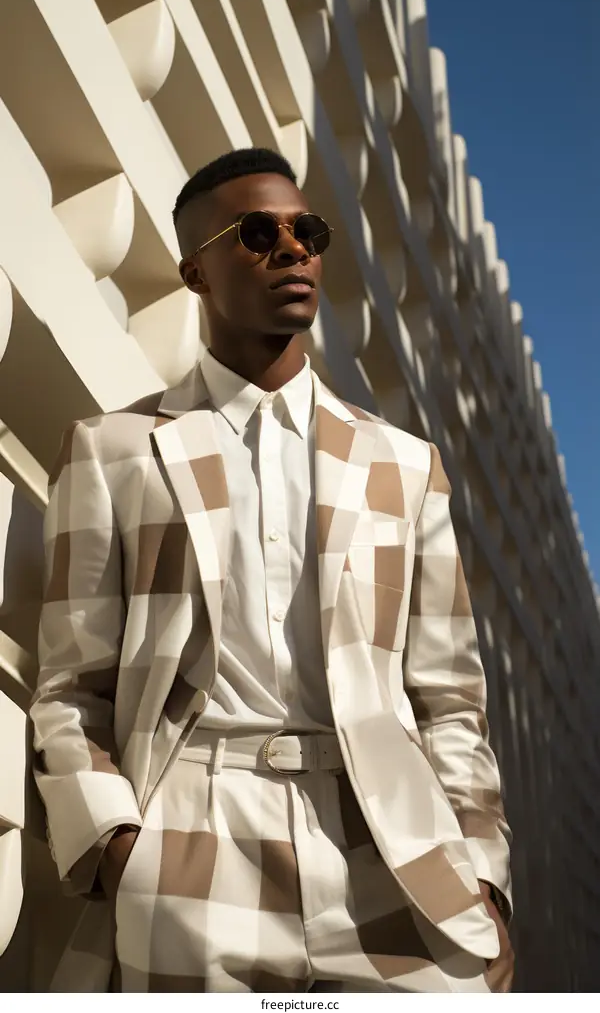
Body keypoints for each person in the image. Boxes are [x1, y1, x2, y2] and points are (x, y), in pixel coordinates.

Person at [31, 147, 514, 993]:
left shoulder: (402, 465)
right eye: (257, 233)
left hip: (391, 847)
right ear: (195, 271)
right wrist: (116, 850)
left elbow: (449, 699)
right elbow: (74, 683)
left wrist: (483, 873)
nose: (293, 249)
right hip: (189, 840)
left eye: (307, 230)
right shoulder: (112, 450)